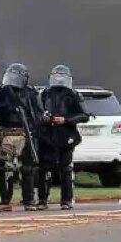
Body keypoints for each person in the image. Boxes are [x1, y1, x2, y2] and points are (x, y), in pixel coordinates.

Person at [0, 63, 44, 212]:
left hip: (25, 132)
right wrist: (3, 97)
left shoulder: (31, 93)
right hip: (6, 132)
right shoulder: (2, 91)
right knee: (5, 168)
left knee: (27, 168)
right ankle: (5, 201)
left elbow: (39, 114)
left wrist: (33, 128)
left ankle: (29, 200)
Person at [37, 65, 90, 210]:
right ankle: (42, 199)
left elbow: (84, 115)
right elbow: (37, 112)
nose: (59, 79)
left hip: (66, 135)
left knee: (65, 168)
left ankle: (66, 199)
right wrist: (44, 118)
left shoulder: (73, 95)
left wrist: (66, 120)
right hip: (47, 135)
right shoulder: (44, 94)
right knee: (44, 168)